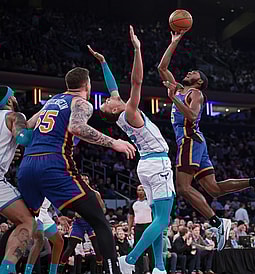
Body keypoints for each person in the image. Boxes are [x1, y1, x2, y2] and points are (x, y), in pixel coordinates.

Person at [158, 30, 255, 251]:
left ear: (199, 81)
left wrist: (173, 101)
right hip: (196, 142)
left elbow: (192, 116)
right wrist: (174, 42)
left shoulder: (195, 94)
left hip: (189, 140)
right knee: (214, 189)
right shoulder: (179, 89)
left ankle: (217, 222)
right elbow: (162, 68)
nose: (189, 71)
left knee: (183, 188)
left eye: (194, 72)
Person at [17, 63, 136, 274]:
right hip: (53, 164)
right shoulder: (83, 104)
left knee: (24, 223)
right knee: (100, 221)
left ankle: (6, 266)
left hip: (27, 165)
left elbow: (27, 125)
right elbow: (76, 127)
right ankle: (113, 271)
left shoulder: (51, 101)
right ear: (87, 85)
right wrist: (114, 143)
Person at [88, 26, 175, 274]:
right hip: (157, 164)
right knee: (162, 220)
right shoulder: (129, 112)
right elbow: (137, 81)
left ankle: (159, 267)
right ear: (114, 110)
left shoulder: (120, 112)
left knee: (157, 219)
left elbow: (113, 86)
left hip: (146, 165)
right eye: (107, 101)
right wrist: (138, 49)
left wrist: (104, 63)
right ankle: (130, 260)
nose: (108, 97)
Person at [0, 86, 36, 273]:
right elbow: (23, 138)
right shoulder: (15, 116)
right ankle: (7, 269)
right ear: (9, 100)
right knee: (27, 222)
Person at [58, 174, 105, 274]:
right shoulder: (73, 194)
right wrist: (75, 213)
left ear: (88, 181)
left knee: (97, 248)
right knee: (70, 247)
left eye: (86, 179)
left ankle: (100, 271)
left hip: (91, 222)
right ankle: (59, 270)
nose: (84, 181)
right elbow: (66, 209)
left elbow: (103, 209)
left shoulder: (95, 193)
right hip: (78, 222)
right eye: (82, 179)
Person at [24, 198, 70, 274]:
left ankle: (53, 272)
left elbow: (53, 199)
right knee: (39, 240)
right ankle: (27, 271)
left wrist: (59, 215)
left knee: (59, 242)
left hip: (44, 212)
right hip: (35, 210)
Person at [126, 185, 153, 274]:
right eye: (139, 190)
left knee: (151, 250)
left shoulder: (150, 202)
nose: (140, 191)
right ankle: (139, 271)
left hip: (149, 226)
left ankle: (154, 270)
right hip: (138, 227)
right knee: (138, 250)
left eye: (142, 190)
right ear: (136, 191)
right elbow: (130, 216)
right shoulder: (133, 203)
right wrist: (129, 230)